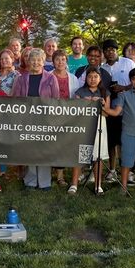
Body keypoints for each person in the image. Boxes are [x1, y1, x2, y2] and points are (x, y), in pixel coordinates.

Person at [12, 48, 59, 190]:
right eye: (33, 60)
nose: (36, 63)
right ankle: (31, 181)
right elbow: (15, 99)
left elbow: (56, 100)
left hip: (45, 119)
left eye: (39, 60)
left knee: (44, 149)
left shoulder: (51, 78)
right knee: (30, 149)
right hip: (27, 119)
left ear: (44, 62)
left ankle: (45, 182)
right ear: (28, 61)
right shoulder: (20, 78)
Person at [104, 68, 135, 197]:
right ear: (130, 80)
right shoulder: (124, 95)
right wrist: (103, 107)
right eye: (133, 79)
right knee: (126, 161)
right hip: (128, 133)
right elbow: (116, 112)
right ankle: (124, 186)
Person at [69, 66, 110, 195]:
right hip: (83, 125)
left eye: (95, 77)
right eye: (90, 77)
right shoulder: (80, 92)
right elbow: (74, 112)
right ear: (86, 78)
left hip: (99, 125)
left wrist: (101, 104)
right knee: (80, 153)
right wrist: (84, 102)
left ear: (100, 78)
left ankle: (98, 185)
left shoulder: (105, 93)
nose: (92, 79)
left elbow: (107, 114)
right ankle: (74, 184)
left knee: (98, 156)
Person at [101, 39, 135, 183]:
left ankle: (128, 172)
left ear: (117, 50)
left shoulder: (128, 63)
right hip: (110, 109)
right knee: (112, 141)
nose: (110, 52)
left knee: (126, 141)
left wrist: (123, 88)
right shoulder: (102, 68)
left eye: (113, 50)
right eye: (107, 50)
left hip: (127, 108)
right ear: (104, 52)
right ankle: (112, 170)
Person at [51, 49, 81, 186]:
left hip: (68, 115)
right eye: (57, 59)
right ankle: (56, 173)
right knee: (54, 144)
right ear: (53, 62)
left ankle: (65, 174)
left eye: (63, 59)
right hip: (51, 115)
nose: (60, 62)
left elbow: (76, 97)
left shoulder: (73, 78)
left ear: (66, 61)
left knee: (64, 144)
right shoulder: (48, 76)